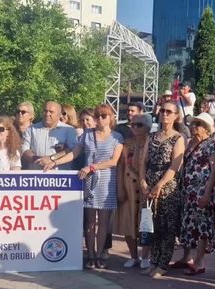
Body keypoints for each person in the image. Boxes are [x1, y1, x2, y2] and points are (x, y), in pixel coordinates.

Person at [42, 104, 124, 269]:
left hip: (106, 182)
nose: (100, 119)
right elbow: (74, 153)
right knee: (89, 222)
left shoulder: (117, 137)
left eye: (104, 116)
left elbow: (114, 161)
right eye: (98, 116)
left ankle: (100, 254)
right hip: (88, 181)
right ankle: (91, 254)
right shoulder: (87, 135)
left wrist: (92, 167)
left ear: (110, 118)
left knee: (103, 222)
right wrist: (54, 162)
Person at [139, 101, 185, 278]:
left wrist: (160, 184)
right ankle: (154, 260)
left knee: (167, 226)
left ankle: (163, 263)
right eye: (162, 111)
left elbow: (175, 165)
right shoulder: (151, 136)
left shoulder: (178, 138)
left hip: (167, 185)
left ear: (175, 116)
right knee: (152, 225)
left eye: (169, 111)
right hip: (150, 182)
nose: (164, 114)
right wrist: (143, 181)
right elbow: (143, 161)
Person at [174, 113, 215, 276]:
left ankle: (199, 262)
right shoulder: (190, 142)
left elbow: (214, 171)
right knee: (186, 223)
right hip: (188, 191)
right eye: (193, 124)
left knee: (201, 226)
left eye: (198, 124)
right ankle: (186, 257)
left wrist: (207, 194)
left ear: (207, 128)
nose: (194, 127)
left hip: (202, 191)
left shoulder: (212, 145)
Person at [115, 114, 151, 269]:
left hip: (145, 188)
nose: (135, 127)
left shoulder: (152, 144)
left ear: (148, 127)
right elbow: (120, 167)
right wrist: (120, 187)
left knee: (146, 223)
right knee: (128, 222)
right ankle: (133, 256)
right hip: (128, 186)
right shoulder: (126, 144)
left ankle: (145, 257)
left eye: (139, 125)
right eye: (133, 124)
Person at [21, 101, 78, 170]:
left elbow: (73, 149)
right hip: (36, 175)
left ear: (59, 114)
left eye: (51, 112)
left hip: (60, 175)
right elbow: (24, 149)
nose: (47, 114)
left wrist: (52, 158)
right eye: (45, 111)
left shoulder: (69, 130)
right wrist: (37, 159)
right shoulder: (31, 129)